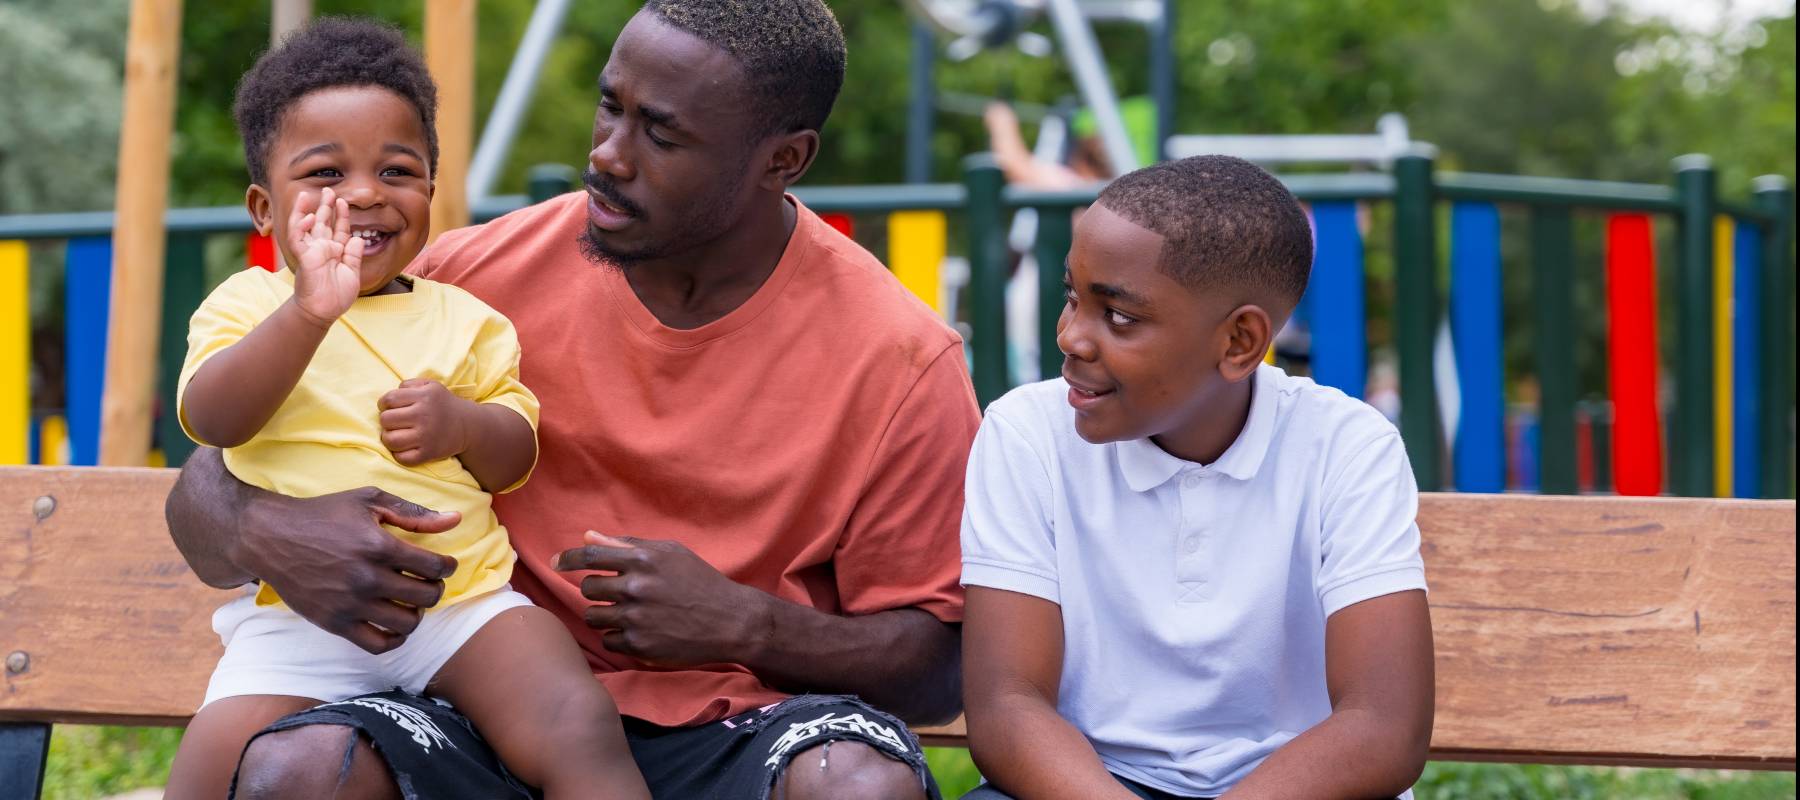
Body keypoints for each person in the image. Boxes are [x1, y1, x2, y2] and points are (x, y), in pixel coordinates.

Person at [163, 2, 977, 798]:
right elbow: (212, 468)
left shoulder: (900, 359)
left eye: (660, 133)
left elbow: (940, 670)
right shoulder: (470, 277)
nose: (609, 156)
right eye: (608, 107)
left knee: (857, 785)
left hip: (748, 728)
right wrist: (269, 530)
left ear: (783, 159)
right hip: (476, 722)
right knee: (303, 770)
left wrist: (743, 623)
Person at [162, 20, 649, 800]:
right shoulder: (250, 305)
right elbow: (216, 421)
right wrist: (308, 313)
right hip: (298, 623)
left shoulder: (466, 318)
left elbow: (515, 449)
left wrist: (462, 424)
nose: (363, 193)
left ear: (430, 188)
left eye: (397, 170)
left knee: (574, 721)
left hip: (462, 607)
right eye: (323, 174)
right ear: (264, 206)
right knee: (210, 766)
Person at [957, 156, 1434, 800]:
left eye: (1119, 317)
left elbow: (1382, 726)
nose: (1072, 336)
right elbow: (1008, 704)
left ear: (1239, 343)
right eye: (1072, 297)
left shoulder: (1347, 447)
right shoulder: (1026, 435)